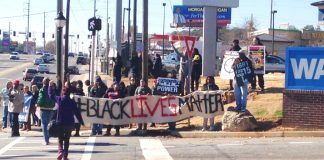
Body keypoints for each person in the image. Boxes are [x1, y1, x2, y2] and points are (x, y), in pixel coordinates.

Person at [48, 80, 84, 160]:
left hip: (60, 122)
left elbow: (51, 95)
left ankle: (60, 151)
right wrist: (81, 122)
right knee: (67, 140)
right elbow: (77, 112)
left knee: (60, 139)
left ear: (63, 93)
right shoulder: (72, 102)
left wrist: (50, 86)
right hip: (69, 123)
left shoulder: (59, 99)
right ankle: (65, 156)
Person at [37, 78, 55, 145]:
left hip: (43, 108)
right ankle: (48, 138)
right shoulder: (52, 89)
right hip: (51, 108)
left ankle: (46, 140)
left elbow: (41, 98)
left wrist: (38, 103)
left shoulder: (42, 90)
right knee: (49, 125)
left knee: (44, 125)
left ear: (43, 82)